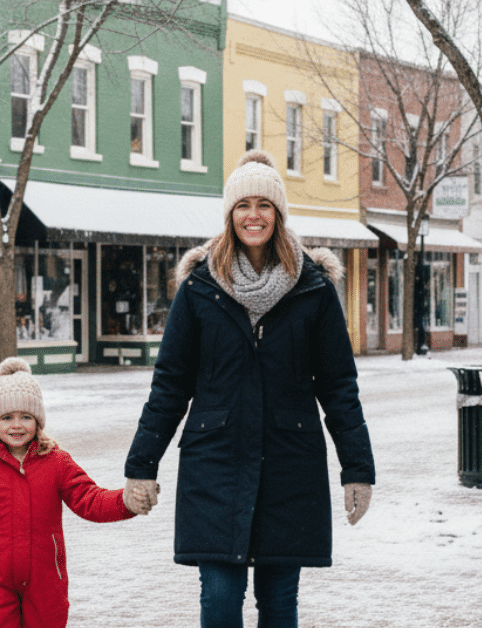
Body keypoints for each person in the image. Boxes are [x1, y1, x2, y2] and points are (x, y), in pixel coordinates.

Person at [123, 150, 376, 628]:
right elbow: (170, 384)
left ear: (278, 213)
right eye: (243, 205)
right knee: (219, 599)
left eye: (264, 205)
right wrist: (141, 465)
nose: (253, 215)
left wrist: (358, 470)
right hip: (215, 465)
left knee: (278, 603)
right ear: (230, 214)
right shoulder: (199, 288)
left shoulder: (314, 289)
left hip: (289, 467)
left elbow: (339, 387)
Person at [0, 357, 150, 628]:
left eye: (26, 416)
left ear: (38, 420)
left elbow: (90, 500)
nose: (16, 425)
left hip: (46, 580)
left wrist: (126, 501)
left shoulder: (57, 462)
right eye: (7, 417)